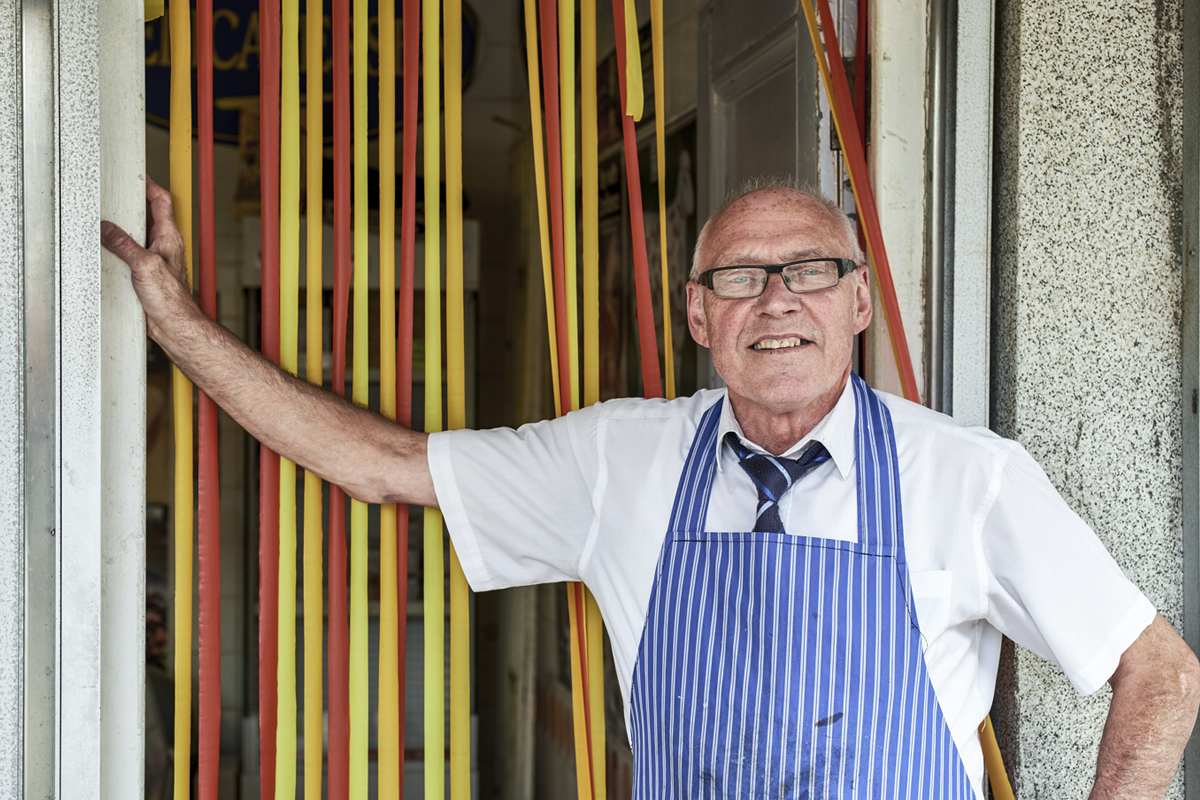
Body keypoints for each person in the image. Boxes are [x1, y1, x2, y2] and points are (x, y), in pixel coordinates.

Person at [102, 177, 1200, 799]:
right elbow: (382, 465)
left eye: (810, 269)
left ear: (858, 301)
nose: (776, 301)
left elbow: (1160, 672)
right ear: (696, 316)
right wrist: (177, 326)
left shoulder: (967, 476)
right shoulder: (621, 461)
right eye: (737, 277)